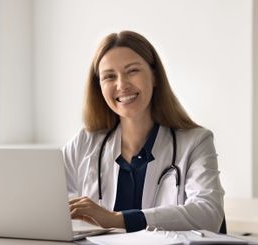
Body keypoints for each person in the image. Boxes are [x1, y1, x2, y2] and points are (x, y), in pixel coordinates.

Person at [63, 30, 225, 233]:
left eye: (132, 71)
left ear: (155, 76)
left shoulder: (195, 142)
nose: (122, 85)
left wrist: (116, 219)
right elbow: (46, 203)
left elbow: (209, 214)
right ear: (99, 87)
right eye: (109, 76)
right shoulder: (84, 143)